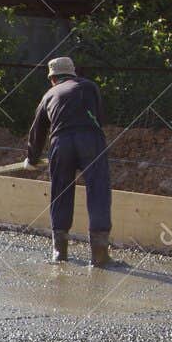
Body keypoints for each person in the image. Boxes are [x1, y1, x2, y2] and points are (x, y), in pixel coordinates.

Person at [26, 56, 112, 265]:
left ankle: (59, 251)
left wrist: (32, 158)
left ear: (52, 78)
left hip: (61, 143)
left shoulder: (49, 95)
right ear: (73, 73)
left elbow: (38, 131)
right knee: (98, 190)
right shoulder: (90, 87)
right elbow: (99, 118)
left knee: (60, 191)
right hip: (91, 140)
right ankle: (99, 255)